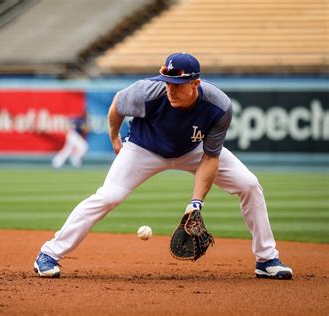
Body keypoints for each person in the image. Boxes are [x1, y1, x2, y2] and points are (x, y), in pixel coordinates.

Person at [34, 52, 293, 280]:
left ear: (195, 84)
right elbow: (116, 106)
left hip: (193, 150)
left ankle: (266, 259)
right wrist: (114, 136)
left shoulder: (218, 106)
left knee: (249, 184)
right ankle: (48, 253)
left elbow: (211, 157)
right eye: (168, 82)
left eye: (178, 84)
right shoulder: (146, 91)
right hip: (143, 148)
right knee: (108, 196)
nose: (171, 89)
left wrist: (196, 201)